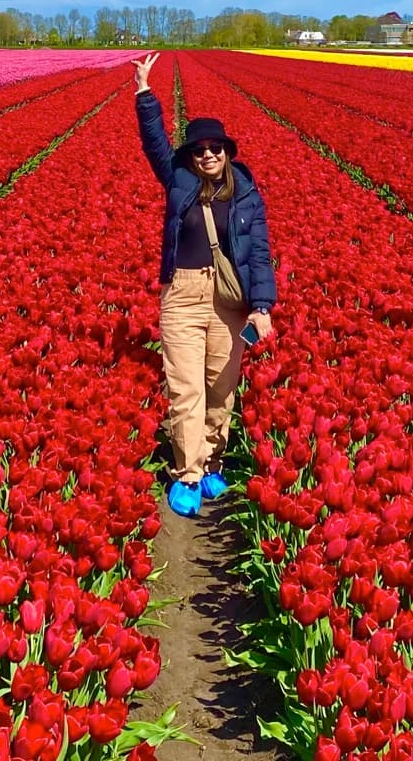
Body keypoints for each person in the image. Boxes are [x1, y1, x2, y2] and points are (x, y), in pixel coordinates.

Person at [133, 53, 276, 517]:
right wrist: (144, 94)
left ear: (228, 151)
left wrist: (262, 305)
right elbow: (155, 145)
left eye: (216, 147)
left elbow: (258, 253)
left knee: (221, 386)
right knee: (186, 388)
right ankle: (188, 473)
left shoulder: (248, 195)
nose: (208, 154)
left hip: (230, 301)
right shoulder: (178, 183)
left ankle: (212, 461)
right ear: (190, 157)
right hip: (184, 294)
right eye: (199, 149)